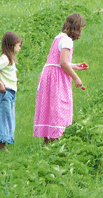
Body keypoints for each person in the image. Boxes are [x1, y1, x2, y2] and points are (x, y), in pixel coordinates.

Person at [33, 13, 88, 145]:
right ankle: (54, 138)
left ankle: (47, 139)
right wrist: (75, 78)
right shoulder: (67, 40)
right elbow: (63, 62)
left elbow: (57, 61)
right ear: (77, 28)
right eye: (81, 28)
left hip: (49, 74)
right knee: (58, 105)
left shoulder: (59, 37)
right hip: (57, 77)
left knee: (49, 104)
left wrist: (74, 66)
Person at [0, 31, 23, 151]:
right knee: (4, 117)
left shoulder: (10, 60)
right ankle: (2, 145)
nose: (20, 48)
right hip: (5, 93)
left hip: (11, 93)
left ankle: (5, 142)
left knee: (9, 117)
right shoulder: (5, 59)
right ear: (11, 45)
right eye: (18, 45)